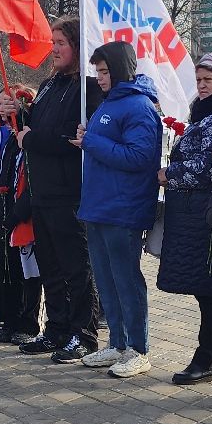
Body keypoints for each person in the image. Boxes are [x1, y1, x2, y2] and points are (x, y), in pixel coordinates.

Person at [158, 53, 212, 385]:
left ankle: (207, 359)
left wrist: (170, 173)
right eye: (198, 80)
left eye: (208, 80)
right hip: (198, 211)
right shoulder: (209, 111)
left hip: (207, 211)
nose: (202, 86)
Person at [18, 20, 103, 364]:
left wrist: (31, 138)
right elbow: (37, 123)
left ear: (78, 47)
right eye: (52, 42)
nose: (54, 49)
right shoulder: (51, 82)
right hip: (42, 190)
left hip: (70, 193)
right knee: (50, 266)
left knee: (76, 267)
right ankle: (55, 327)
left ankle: (83, 333)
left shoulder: (89, 89)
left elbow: (73, 140)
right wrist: (20, 112)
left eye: (61, 43)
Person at [78, 40, 162, 380]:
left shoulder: (139, 107)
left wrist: (91, 141)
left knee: (126, 278)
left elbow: (139, 158)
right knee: (105, 278)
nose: (99, 77)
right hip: (99, 207)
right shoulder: (109, 103)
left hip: (123, 208)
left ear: (121, 70)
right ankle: (117, 342)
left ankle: (138, 349)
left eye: (104, 71)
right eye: (97, 71)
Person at [0, 86, 41, 345]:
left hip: (24, 215)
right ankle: (9, 318)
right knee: (6, 270)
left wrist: (16, 214)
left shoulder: (27, 140)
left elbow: (30, 183)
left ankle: (29, 322)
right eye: (1, 105)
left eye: (10, 105)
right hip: (4, 211)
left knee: (29, 273)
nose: (3, 110)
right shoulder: (3, 138)